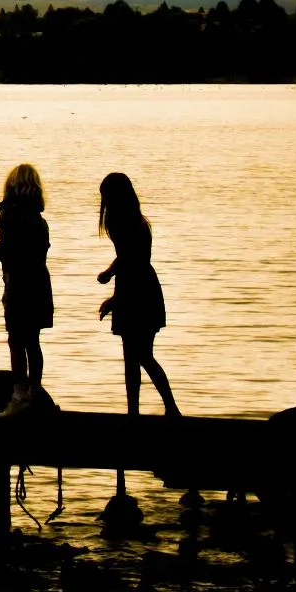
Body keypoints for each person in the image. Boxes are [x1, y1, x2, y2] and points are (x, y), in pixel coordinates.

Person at [95, 172, 179, 416]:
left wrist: (115, 296)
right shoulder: (135, 223)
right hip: (140, 288)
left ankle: (165, 408)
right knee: (136, 357)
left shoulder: (126, 225)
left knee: (140, 356)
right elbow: (127, 258)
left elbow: (131, 261)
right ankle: (139, 411)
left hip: (137, 291)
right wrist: (110, 273)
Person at [0, 163, 52, 408]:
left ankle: (19, 396)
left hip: (19, 287)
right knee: (33, 342)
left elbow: (12, 248)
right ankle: (35, 392)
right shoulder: (40, 220)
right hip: (40, 287)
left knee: (16, 341)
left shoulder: (8, 216)